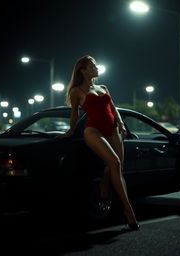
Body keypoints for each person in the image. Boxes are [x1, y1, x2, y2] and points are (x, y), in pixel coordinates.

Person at [56, 55, 139, 230]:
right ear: (83, 70)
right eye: (93, 65)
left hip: (113, 130)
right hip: (93, 130)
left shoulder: (103, 87)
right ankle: (128, 209)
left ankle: (104, 181)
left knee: (118, 166)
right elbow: (74, 115)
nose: (97, 67)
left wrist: (121, 123)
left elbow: (113, 107)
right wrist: (70, 131)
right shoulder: (76, 91)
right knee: (114, 162)